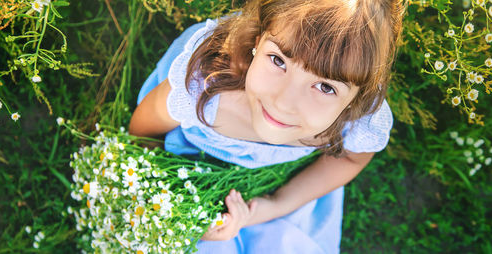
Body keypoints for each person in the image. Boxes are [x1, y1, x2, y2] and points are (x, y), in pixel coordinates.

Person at [129, 0, 403, 253]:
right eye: (277, 60)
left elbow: (352, 159)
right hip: (191, 162)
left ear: (356, 99)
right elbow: (143, 130)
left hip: (281, 194)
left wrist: (276, 205)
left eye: (324, 87)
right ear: (257, 44)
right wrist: (177, 206)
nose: (283, 102)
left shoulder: (356, 119)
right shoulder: (205, 87)